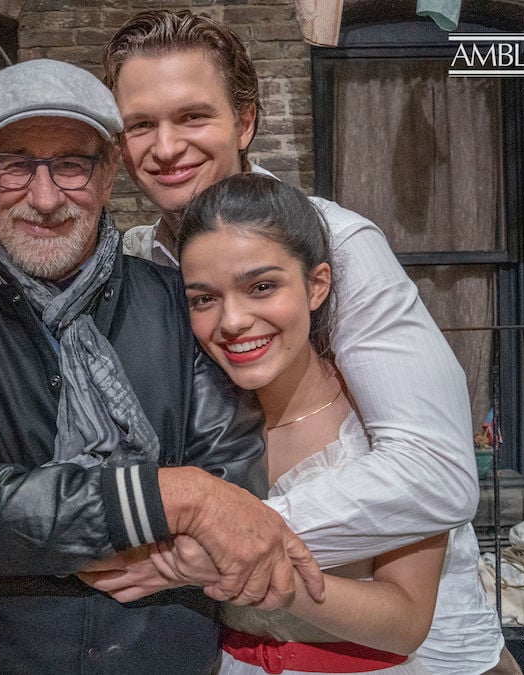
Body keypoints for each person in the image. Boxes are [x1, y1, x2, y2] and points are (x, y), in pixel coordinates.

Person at [85, 11, 515, 672]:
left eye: (193, 116)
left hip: (416, 648)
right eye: (141, 124)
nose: (165, 147)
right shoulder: (137, 264)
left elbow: (436, 471)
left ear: (245, 123)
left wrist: (230, 536)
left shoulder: (338, 244)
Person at [0, 57, 324, 674]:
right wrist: (178, 496)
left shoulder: (181, 303)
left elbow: (233, 492)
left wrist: (34, 532)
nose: (44, 198)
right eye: (14, 165)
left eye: (71, 164)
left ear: (110, 168)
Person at [179, 173, 505, 673]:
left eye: (262, 287)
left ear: (317, 285)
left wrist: (267, 573)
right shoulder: (196, 421)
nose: (232, 321)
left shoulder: (381, 426)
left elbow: (407, 619)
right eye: (205, 298)